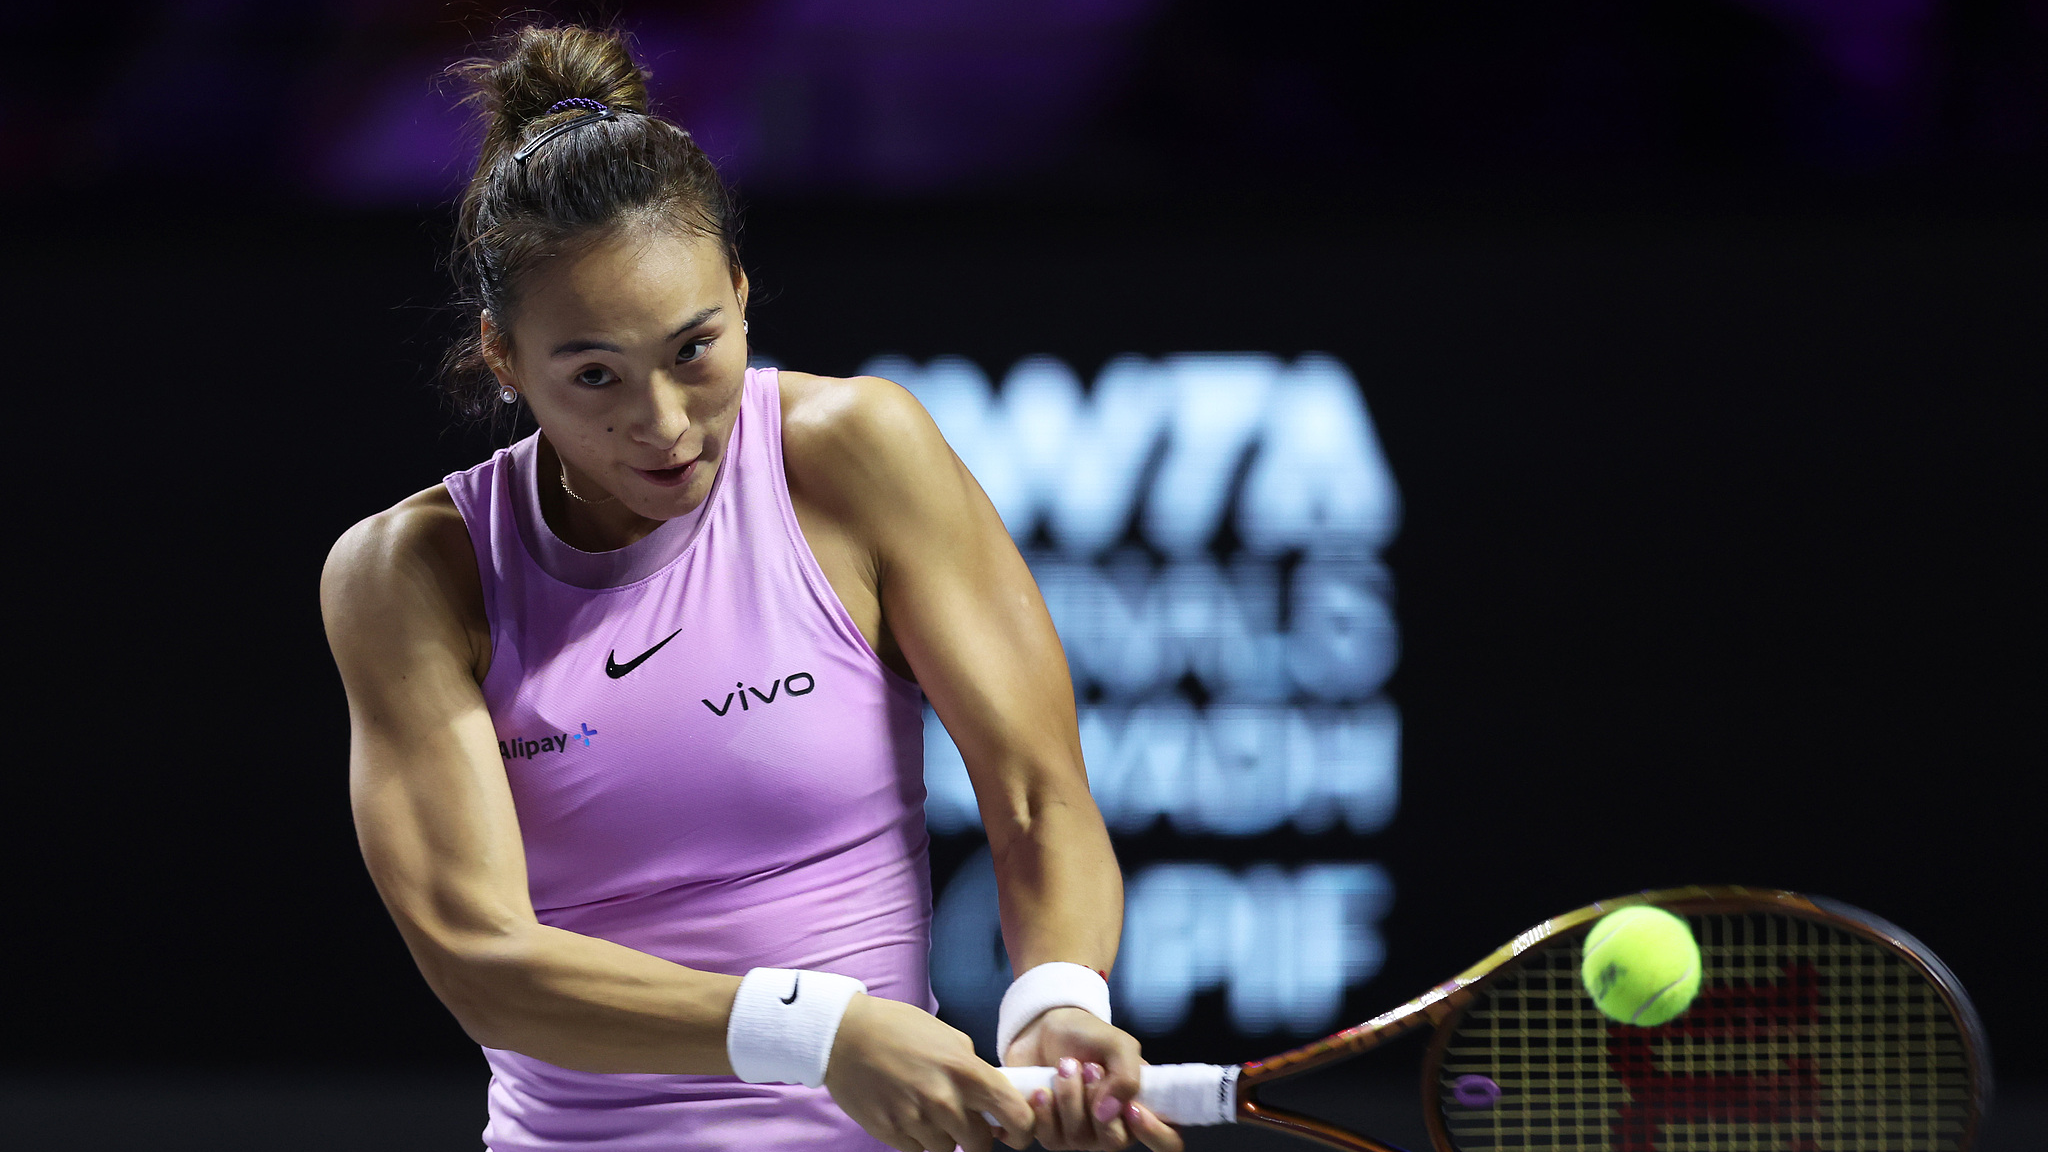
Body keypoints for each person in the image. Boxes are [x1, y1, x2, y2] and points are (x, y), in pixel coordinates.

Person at [319, 23, 1183, 1152]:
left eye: (694, 349)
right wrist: (816, 1031)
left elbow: (1033, 795)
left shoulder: (857, 450)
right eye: (593, 376)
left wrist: (1054, 1001)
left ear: (736, 291)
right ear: (501, 361)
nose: (664, 424)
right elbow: (483, 961)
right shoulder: (410, 574)